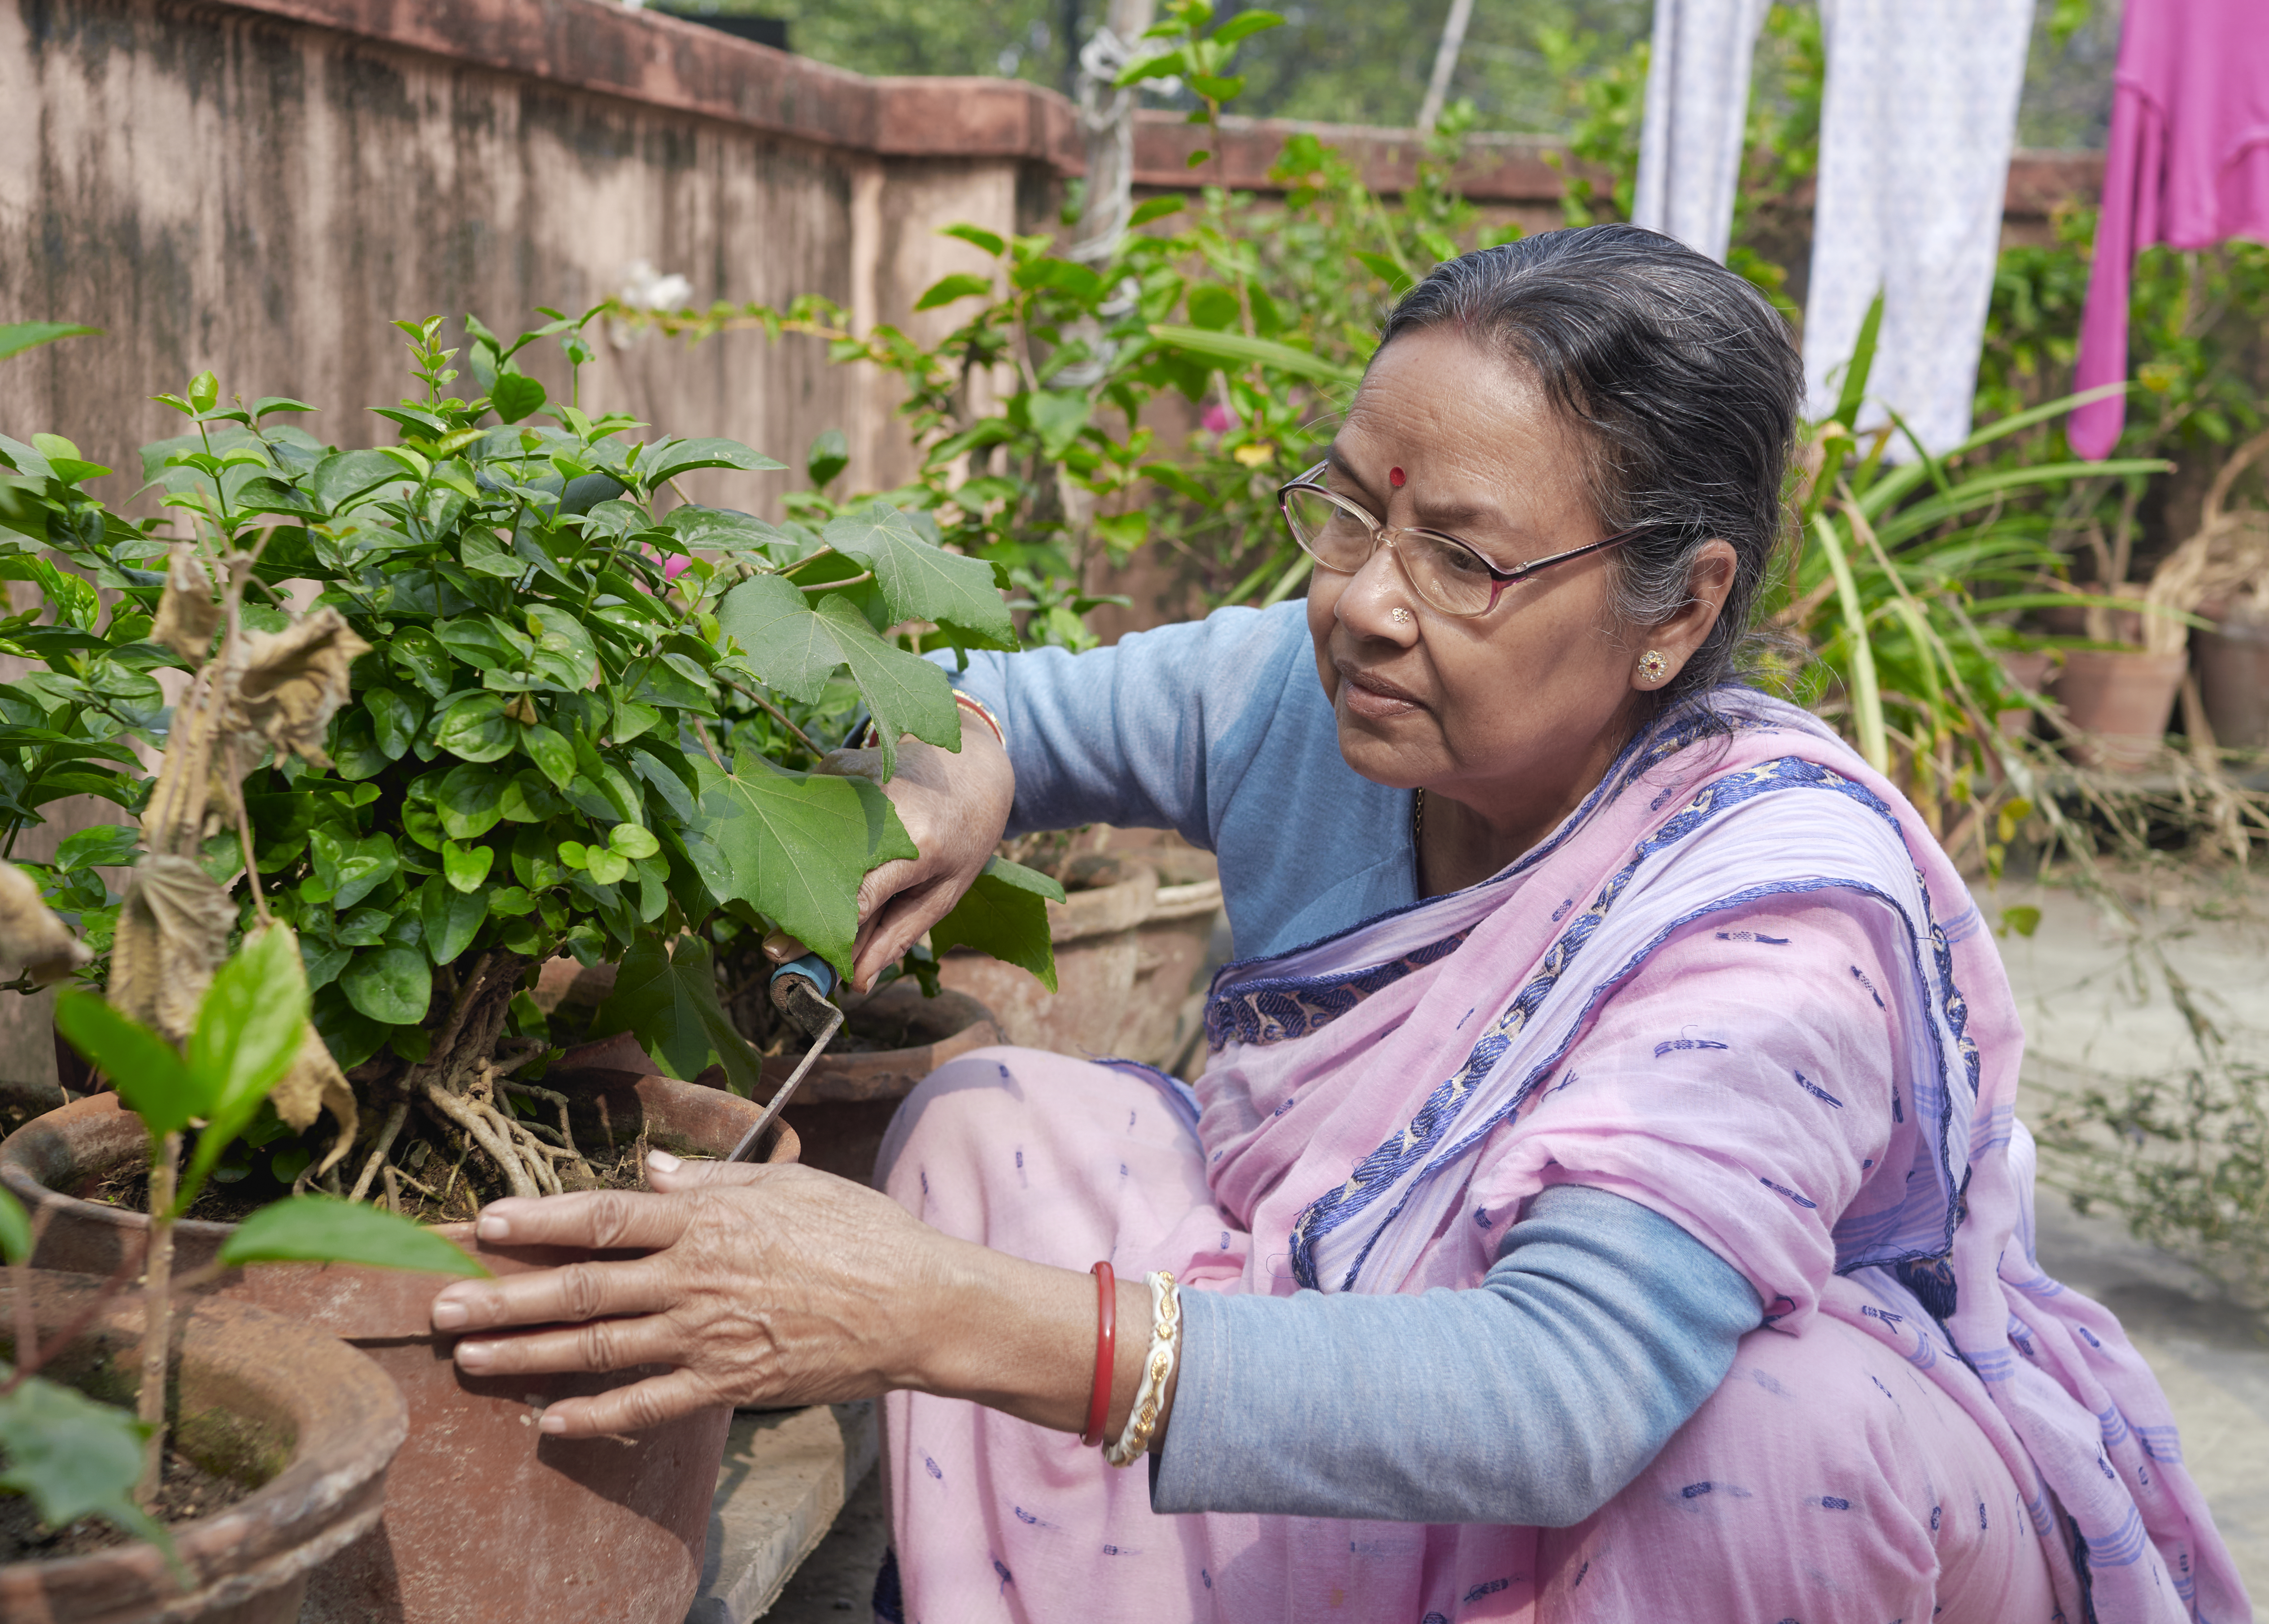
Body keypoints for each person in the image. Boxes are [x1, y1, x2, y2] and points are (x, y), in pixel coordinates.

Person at [424, 226, 2247, 1624]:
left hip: (1658, 1502)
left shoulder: (1763, 924)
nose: (1363, 603)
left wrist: (924, 1310)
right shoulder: (1318, 694)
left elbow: (1560, 1390)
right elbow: (956, 694)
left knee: (1781, 1436)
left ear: (1675, 605)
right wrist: (965, 754)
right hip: (1378, 1393)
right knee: (1006, 1125)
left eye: (1461, 556)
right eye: (1345, 516)